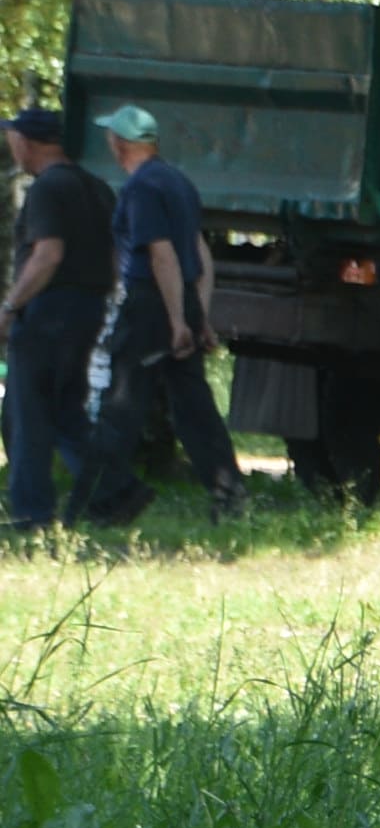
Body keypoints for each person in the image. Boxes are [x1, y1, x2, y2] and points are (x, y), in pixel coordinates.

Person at [82, 103, 243, 525]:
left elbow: (162, 254)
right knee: (193, 406)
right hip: (181, 301)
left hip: (151, 306)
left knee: (121, 403)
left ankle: (112, 500)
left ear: (121, 144)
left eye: (111, 137)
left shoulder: (142, 189)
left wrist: (175, 322)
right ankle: (229, 494)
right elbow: (200, 253)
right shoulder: (178, 182)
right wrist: (199, 316)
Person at [3, 106, 111, 531]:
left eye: (12, 136)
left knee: (29, 414)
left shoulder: (48, 188)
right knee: (68, 413)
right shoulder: (97, 187)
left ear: (27, 141)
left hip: (48, 311)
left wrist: (10, 306)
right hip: (87, 309)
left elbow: (48, 254)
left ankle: (32, 513)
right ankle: (109, 493)